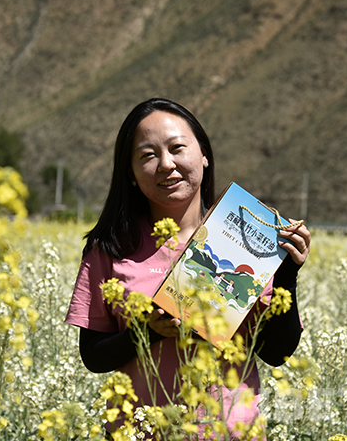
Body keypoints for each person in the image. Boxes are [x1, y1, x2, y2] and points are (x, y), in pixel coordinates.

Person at [65, 98, 310, 438]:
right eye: (147, 155)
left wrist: (286, 273)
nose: (166, 164)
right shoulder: (110, 248)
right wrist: (146, 331)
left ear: (204, 154)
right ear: (130, 173)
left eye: (177, 148)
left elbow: (276, 352)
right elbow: (93, 356)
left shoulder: (245, 241)